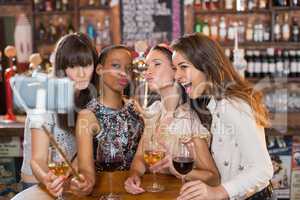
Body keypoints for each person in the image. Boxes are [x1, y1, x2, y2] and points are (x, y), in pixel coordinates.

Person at [172, 33, 274, 200]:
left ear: (206, 65)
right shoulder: (216, 102)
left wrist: (217, 192)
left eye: (183, 67)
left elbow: (262, 169)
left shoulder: (233, 104)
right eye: (175, 69)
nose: (177, 76)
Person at [124, 44, 220, 195]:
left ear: (175, 70)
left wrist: (176, 170)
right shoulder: (155, 112)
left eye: (156, 64)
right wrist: (134, 176)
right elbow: (139, 159)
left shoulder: (188, 120)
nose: (148, 72)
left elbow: (213, 178)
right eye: (147, 66)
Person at [13, 32, 98, 199]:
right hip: (38, 183)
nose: (82, 73)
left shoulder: (89, 98)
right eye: (73, 66)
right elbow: (37, 159)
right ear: (61, 68)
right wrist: (48, 179)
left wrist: (83, 178)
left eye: (87, 65)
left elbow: (80, 153)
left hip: (67, 180)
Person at [70, 45, 144, 196]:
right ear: (99, 70)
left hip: (136, 191)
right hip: (105, 193)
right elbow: (85, 168)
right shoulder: (88, 115)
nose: (123, 73)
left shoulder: (135, 107)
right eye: (116, 66)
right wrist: (86, 182)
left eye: (128, 68)